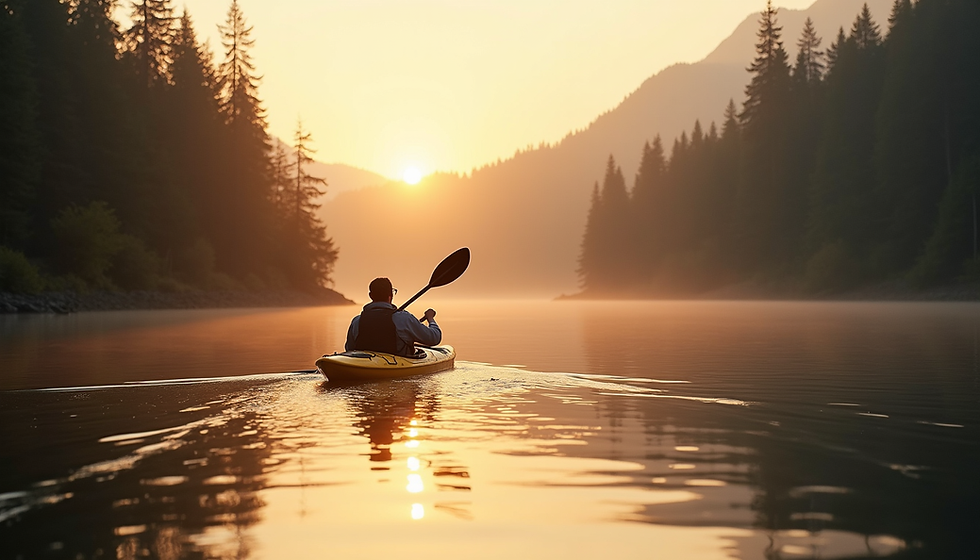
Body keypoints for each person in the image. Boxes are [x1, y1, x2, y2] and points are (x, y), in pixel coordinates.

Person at [345, 277, 441, 357]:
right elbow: (434, 338)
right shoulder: (404, 319)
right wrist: (430, 319)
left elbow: (349, 349)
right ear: (390, 295)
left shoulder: (357, 321)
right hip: (397, 366)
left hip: (363, 364)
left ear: (371, 295)